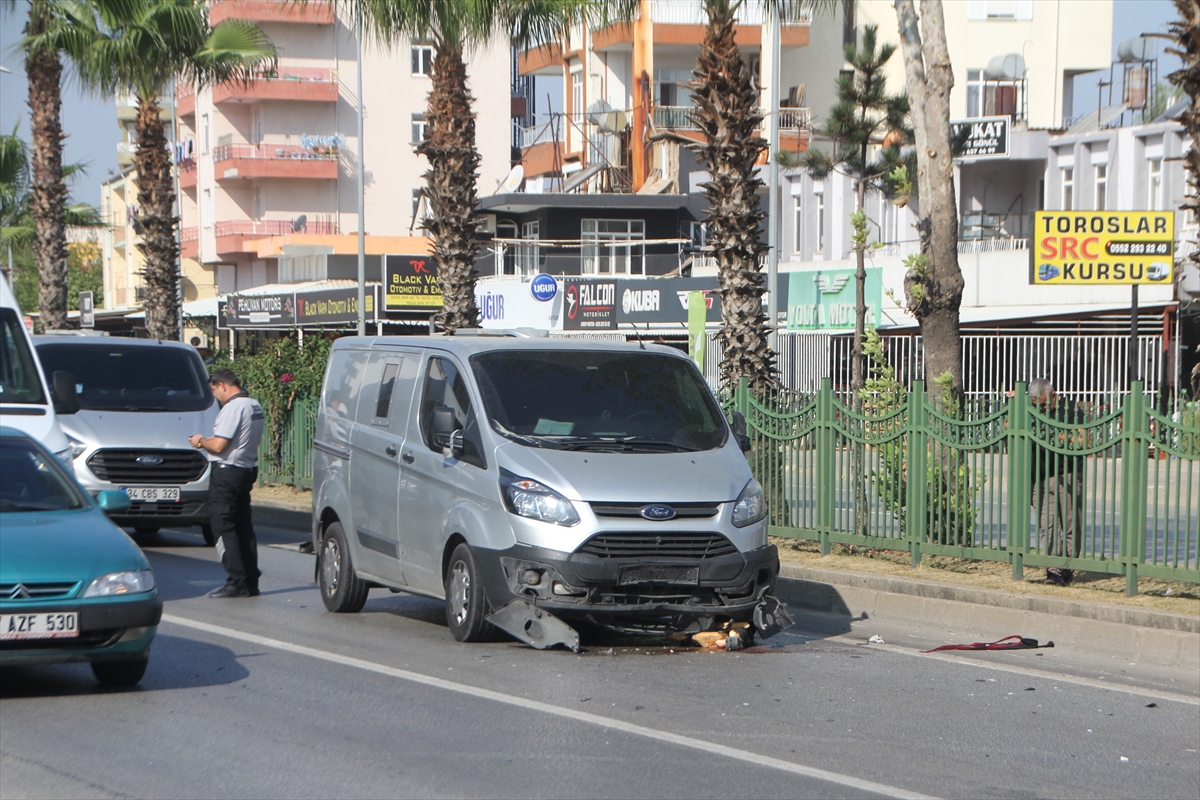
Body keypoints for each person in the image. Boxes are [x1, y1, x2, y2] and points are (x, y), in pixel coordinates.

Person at [189, 368, 265, 598]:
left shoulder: (233, 407)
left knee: (223, 527)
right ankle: (250, 580)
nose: (215, 396)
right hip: (245, 469)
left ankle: (236, 581)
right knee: (243, 527)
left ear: (222, 385)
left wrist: (201, 441)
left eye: (214, 390)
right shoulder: (254, 405)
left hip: (227, 473)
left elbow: (220, 445)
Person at [1027, 379, 1086, 586]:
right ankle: (1054, 570)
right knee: (1047, 526)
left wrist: (1053, 434)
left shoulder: (1071, 410)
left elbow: (1082, 440)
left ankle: (1067, 567)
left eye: (1043, 404)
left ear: (1054, 395)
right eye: (1036, 405)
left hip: (1067, 475)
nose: (1041, 409)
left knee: (1071, 525)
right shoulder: (1028, 411)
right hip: (1040, 479)